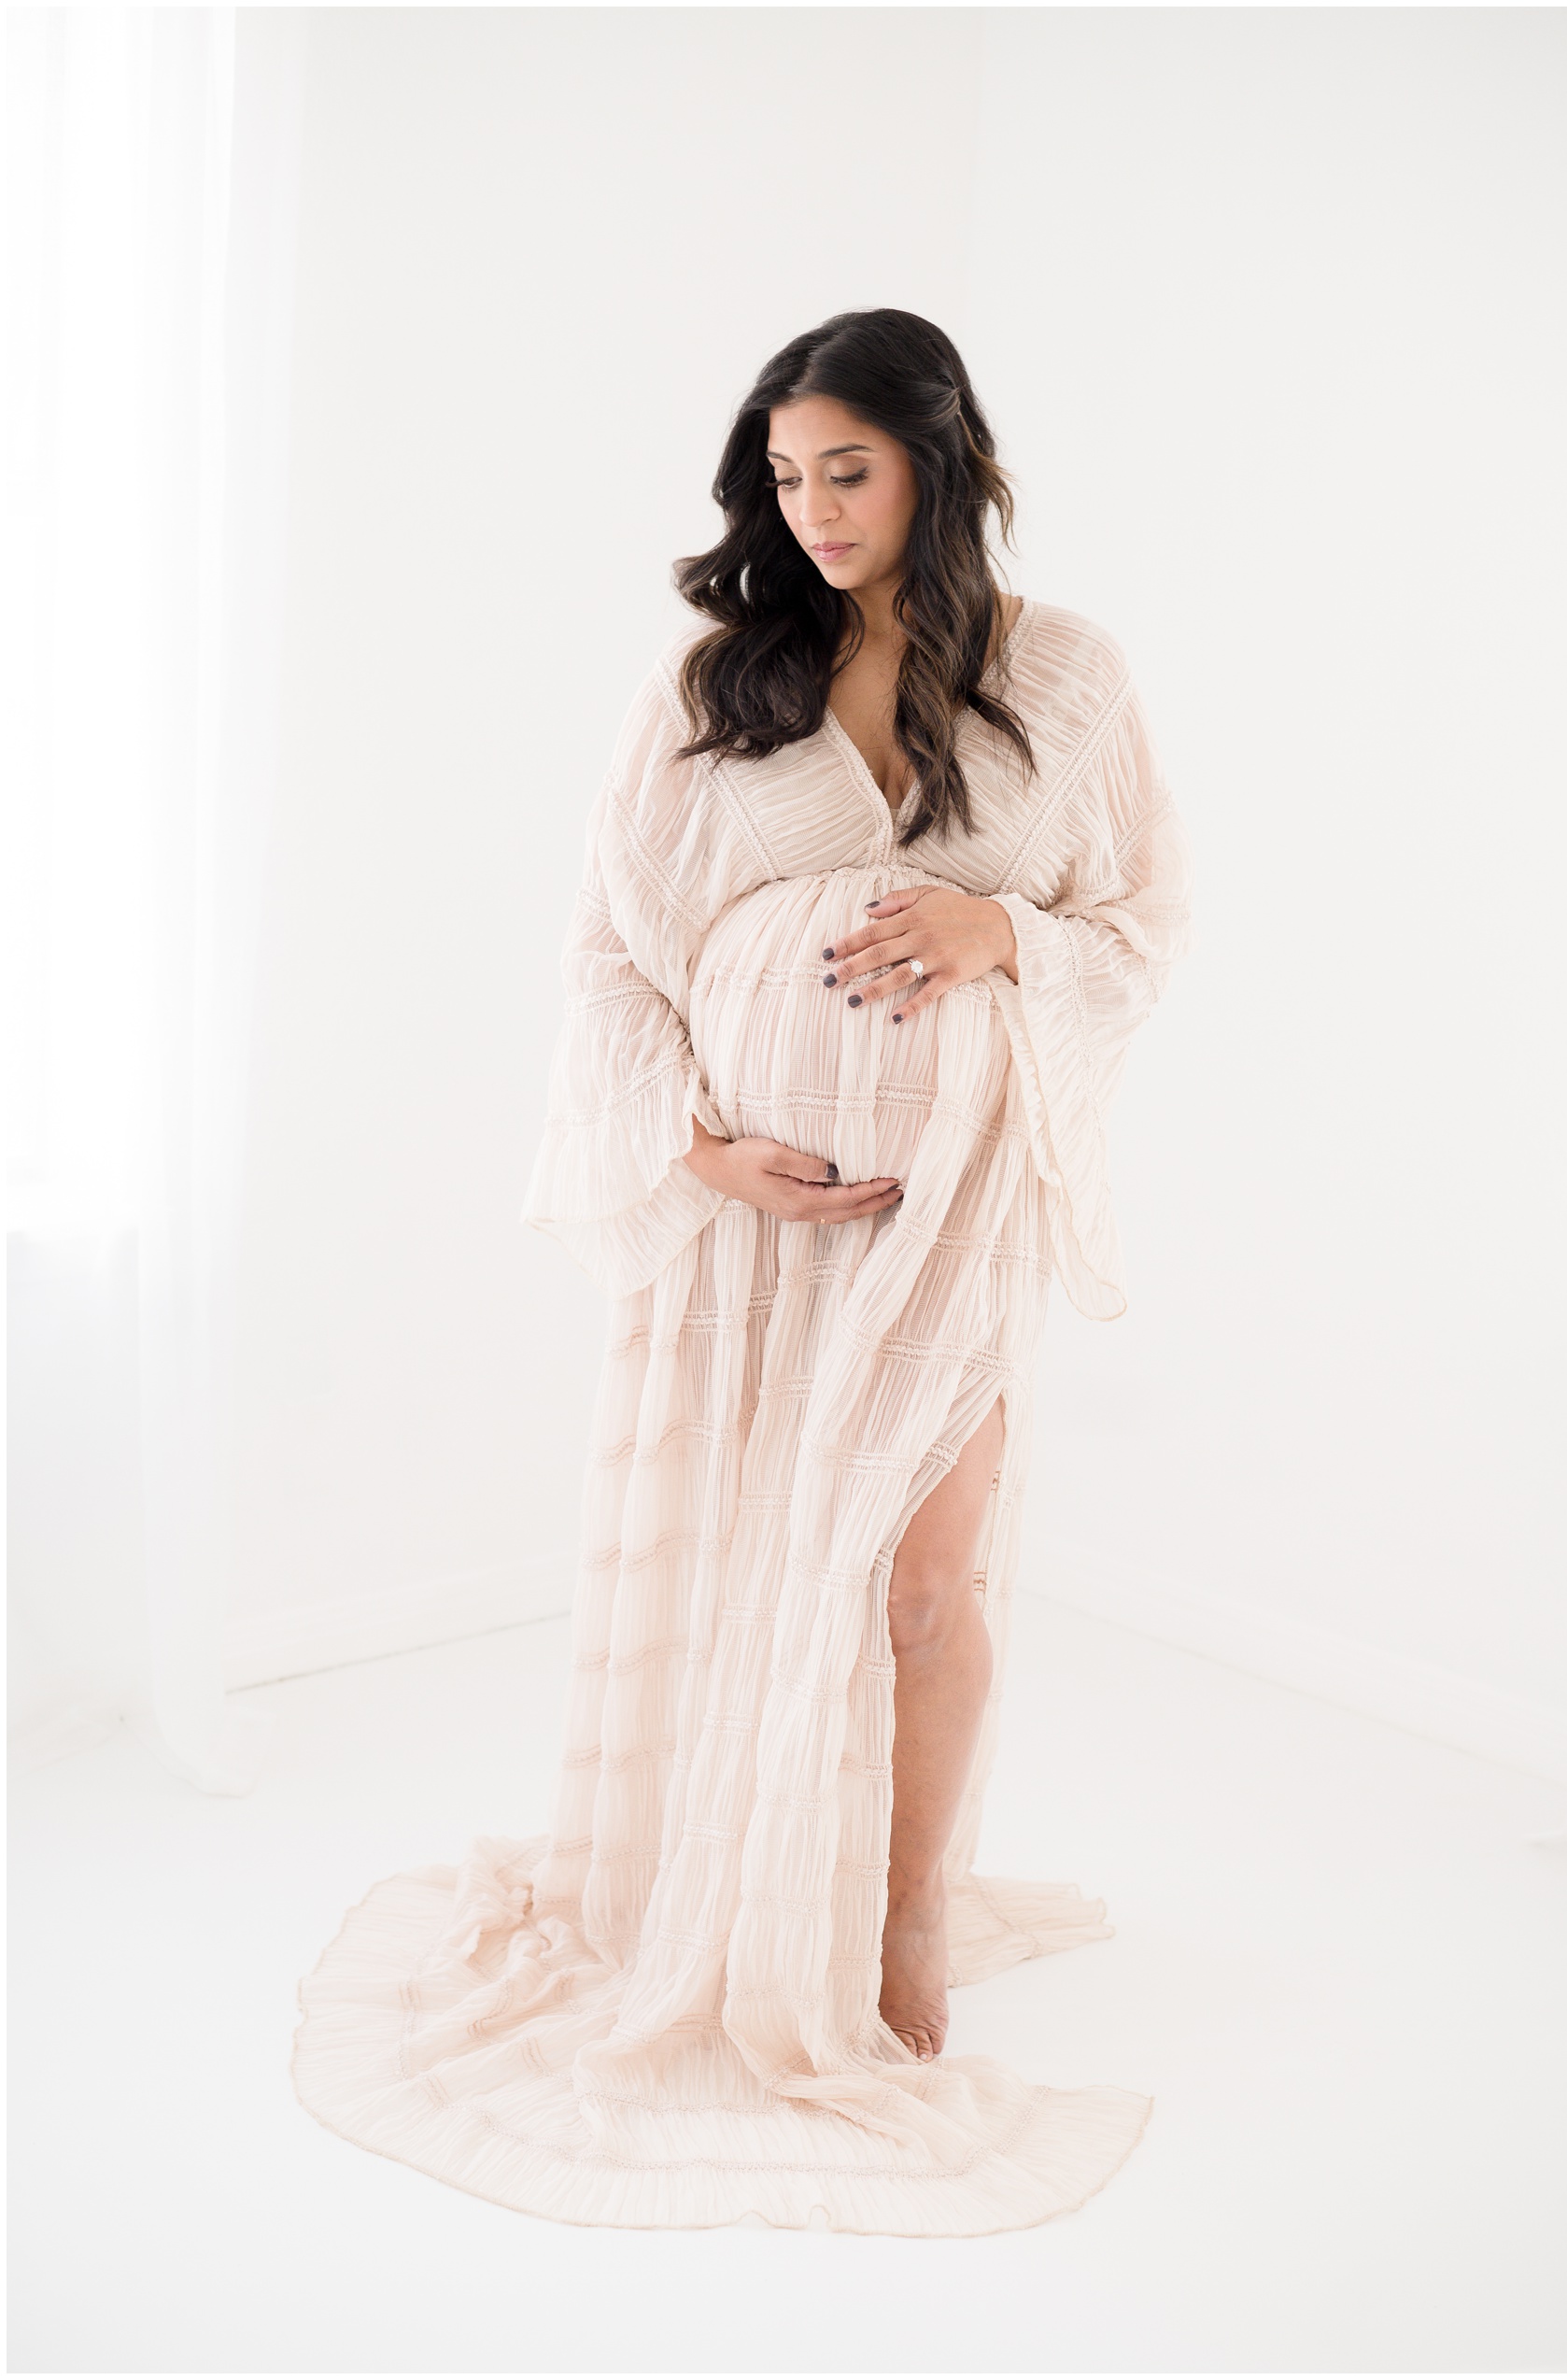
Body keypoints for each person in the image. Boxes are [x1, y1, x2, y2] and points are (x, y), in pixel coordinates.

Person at [293, 308, 1193, 2236]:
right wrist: (696, 1150)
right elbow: (609, 955)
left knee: (925, 1573)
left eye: (845, 469)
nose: (812, 509)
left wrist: (995, 932)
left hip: (951, 1210)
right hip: (751, 1232)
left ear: (939, 459)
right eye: (783, 477)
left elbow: (1141, 921)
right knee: (762, 1566)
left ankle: (901, 1928)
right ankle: (736, 1899)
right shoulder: (717, 679)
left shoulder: (1070, 676)